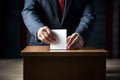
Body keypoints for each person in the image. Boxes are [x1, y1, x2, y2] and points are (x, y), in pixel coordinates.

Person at [21, 0, 95, 50]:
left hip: (74, 47)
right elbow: (28, 11)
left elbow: (88, 15)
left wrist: (81, 34)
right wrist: (38, 29)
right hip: (41, 47)